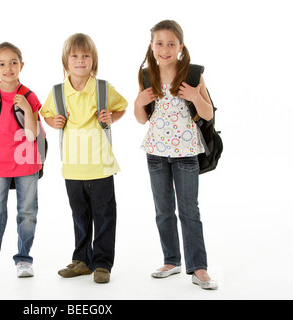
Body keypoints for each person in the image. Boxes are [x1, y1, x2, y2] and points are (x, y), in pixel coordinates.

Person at [134, 20, 218, 290]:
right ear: (152, 46)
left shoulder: (192, 74)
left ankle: (199, 268)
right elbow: (141, 119)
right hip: (156, 153)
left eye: (171, 44)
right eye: (159, 43)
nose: (165, 49)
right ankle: (171, 260)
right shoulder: (148, 75)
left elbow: (208, 114)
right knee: (163, 211)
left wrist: (195, 95)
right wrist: (138, 103)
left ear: (180, 46)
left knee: (189, 210)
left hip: (186, 154)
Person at [41, 33, 127, 284]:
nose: (80, 60)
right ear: (65, 62)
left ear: (93, 60)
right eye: (75, 56)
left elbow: (120, 107)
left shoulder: (102, 87)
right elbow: (46, 114)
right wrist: (52, 121)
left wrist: (111, 116)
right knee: (79, 216)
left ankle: (101, 264)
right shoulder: (58, 92)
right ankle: (81, 261)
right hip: (73, 168)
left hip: (100, 166)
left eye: (86, 56)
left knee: (104, 216)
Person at [0, 42, 42, 284]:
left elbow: (32, 134)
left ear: (21, 65)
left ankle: (24, 259)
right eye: (1, 64)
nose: (8, 68)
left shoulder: (29, 95)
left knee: (27, 212)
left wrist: (28, 109)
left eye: (13, 62)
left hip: (27, 162)